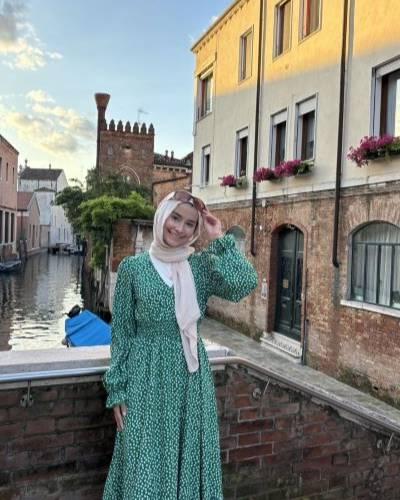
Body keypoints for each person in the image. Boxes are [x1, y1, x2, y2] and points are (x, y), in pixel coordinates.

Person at [103, 190, 258, 499]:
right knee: (143, 460)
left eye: (190, 224)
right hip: (145, 377)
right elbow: (121, 333)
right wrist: (117, 389)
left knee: (187, 459)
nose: (180, 228)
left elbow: (245, 283)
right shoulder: (133, 269)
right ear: (163, 215)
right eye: (175, 217)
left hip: (190, 379)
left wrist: (219, 237)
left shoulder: (200, 267)